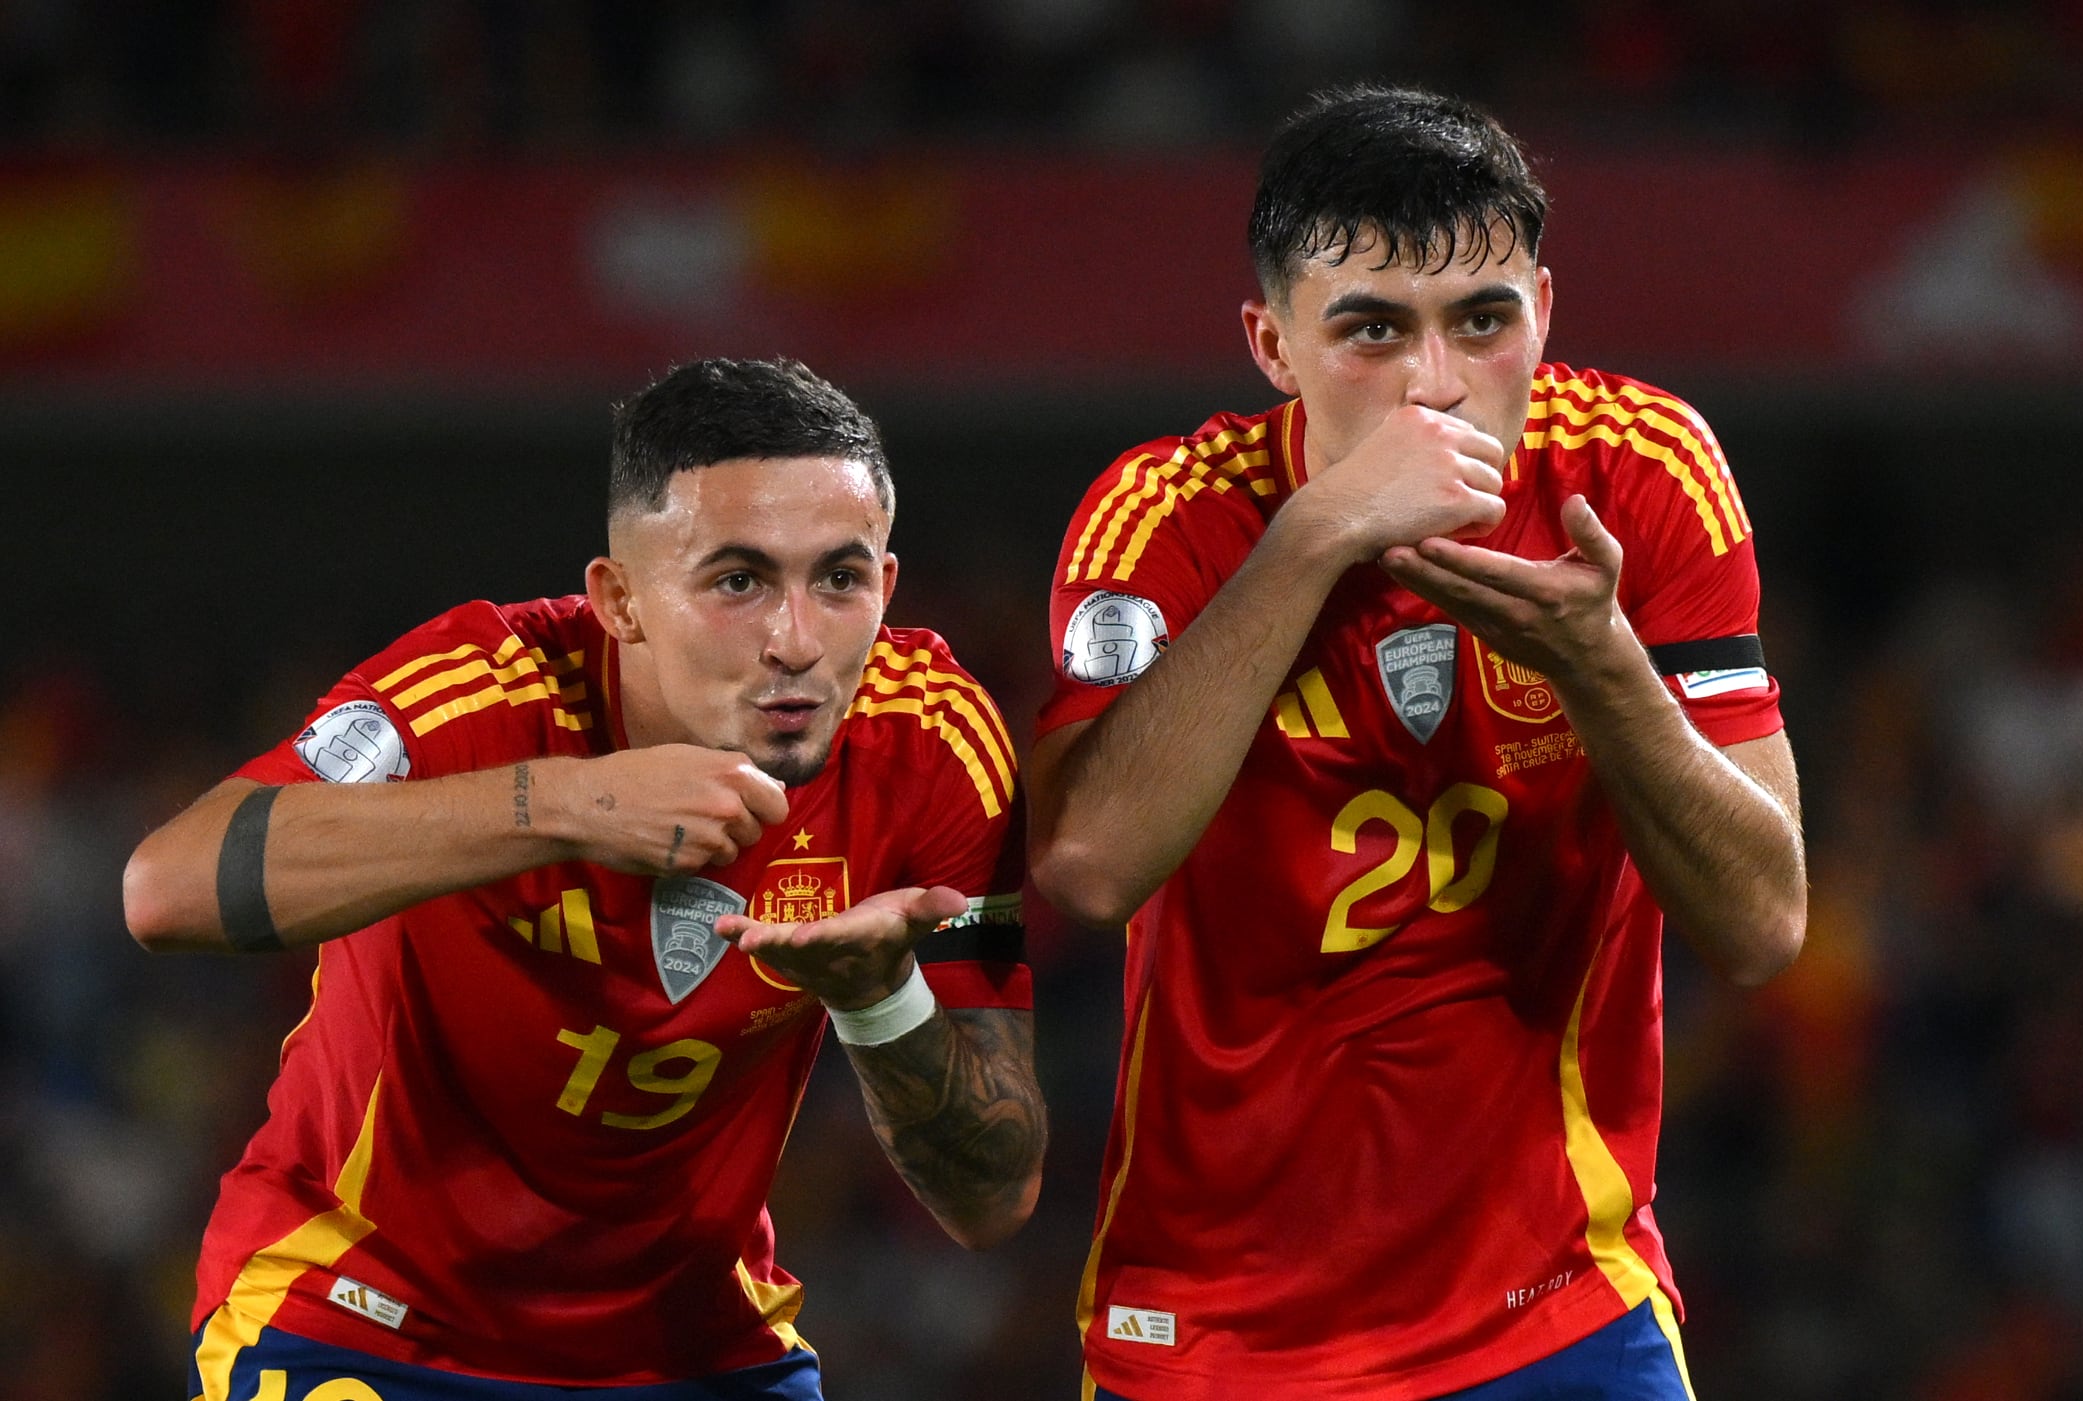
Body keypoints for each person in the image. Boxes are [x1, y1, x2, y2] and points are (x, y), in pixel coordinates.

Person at [1028, 86, 1806, 1400]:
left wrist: (1598, 663)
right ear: (1270, 344)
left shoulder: (1639, 475)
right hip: (1214, 1333)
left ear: (1542, 314)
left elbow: (1761, 923)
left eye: (1482, 321)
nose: (1434, 385)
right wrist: (1315, 535)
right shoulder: (1165, 514)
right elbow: (1089, 865)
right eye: (1371, 332)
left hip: (1559, 1310)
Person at [125, 357, 1048, 1401]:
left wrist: (882, 999)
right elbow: (166, 887)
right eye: (737, 581)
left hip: (698, 1351)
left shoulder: (932, 743)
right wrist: (565, 803)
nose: (795, 640)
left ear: (884, 587)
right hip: (363, 1319)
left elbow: (994, 1198)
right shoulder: (475, 692)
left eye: (837, 579)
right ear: (619, 602)